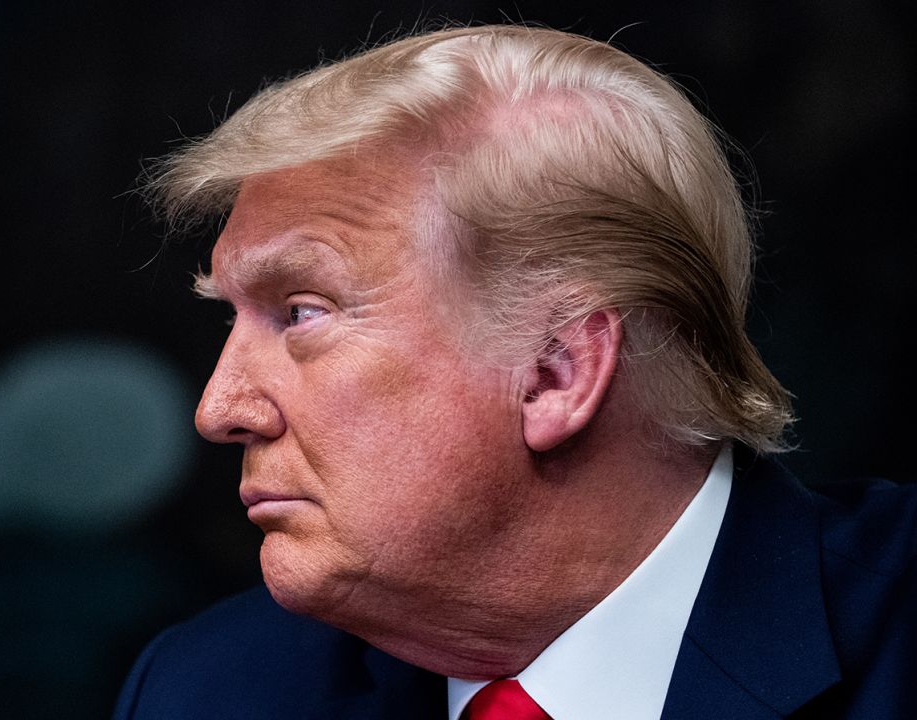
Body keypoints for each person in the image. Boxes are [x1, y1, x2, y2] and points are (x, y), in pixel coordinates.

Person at [113, 24, 916, 720]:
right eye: (234, 315)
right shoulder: (207, 689)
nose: (220, 408)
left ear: (556, 372)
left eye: (302, 312)